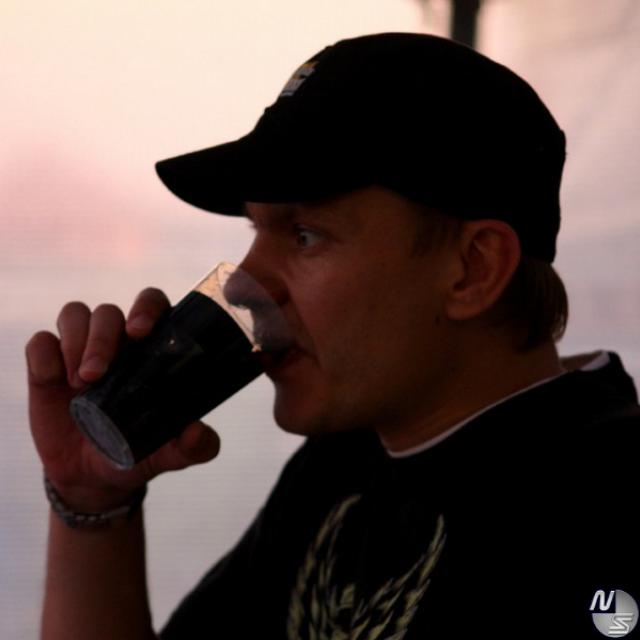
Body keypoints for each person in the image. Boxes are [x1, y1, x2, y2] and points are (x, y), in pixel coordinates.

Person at [25, 33, 639, 639]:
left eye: (305, 236)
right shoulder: (345, 461)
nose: (242, 286)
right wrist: (91, 500)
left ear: (473, 270)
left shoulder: (605, 506)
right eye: (255, 230)